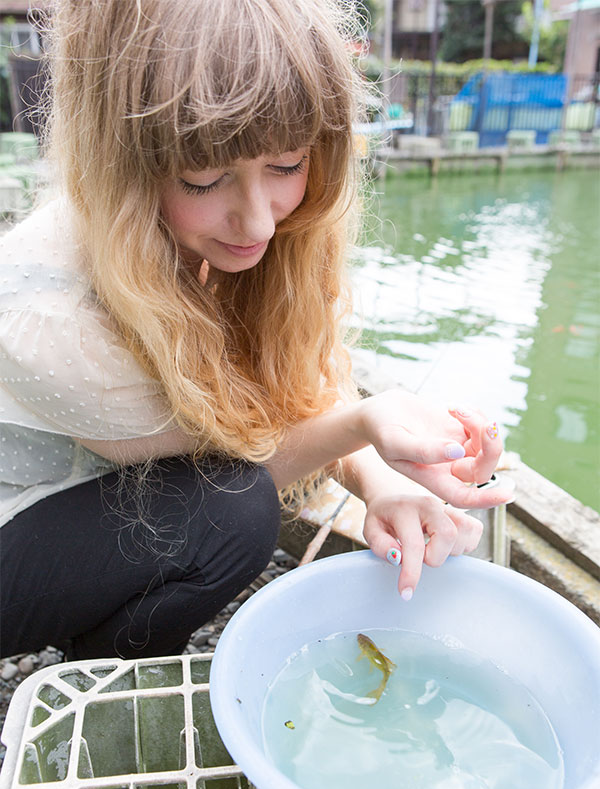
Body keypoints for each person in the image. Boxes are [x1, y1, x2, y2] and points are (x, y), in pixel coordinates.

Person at [0, 0, 512, 661]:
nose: (259, 224)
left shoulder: (201, 231)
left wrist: (384, 479)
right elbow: (241, 458)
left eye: (287, 165)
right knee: (230, 517)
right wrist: (365, 426)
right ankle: (109, 685)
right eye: (205, 177)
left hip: (87, 489)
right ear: (123, 160)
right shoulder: (47, 316)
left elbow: (296, 392)